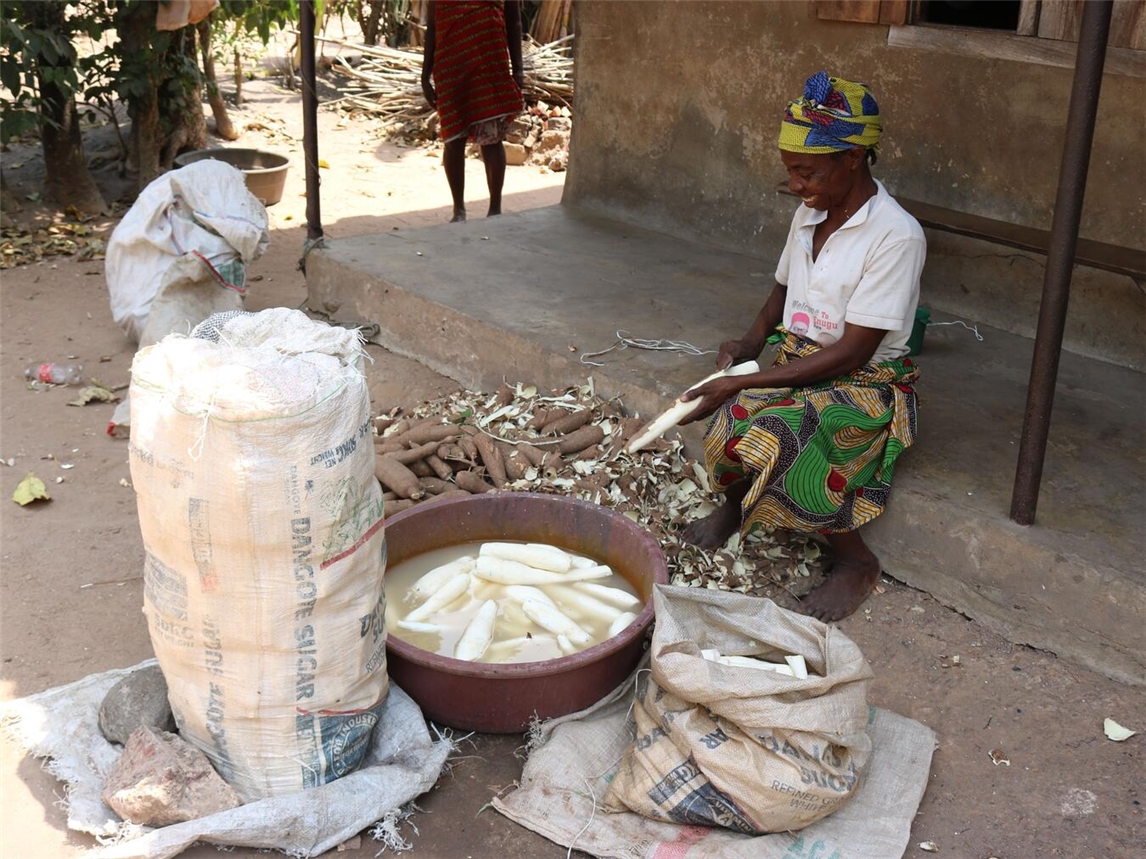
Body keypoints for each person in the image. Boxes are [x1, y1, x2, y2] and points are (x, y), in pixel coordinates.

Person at [679, 71, 925, 623]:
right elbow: (783, 291)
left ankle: (855, 560)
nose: (795, 184)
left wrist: (742, 379)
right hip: (803, 363)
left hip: (863, 385)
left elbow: (853, 354)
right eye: (791, 171)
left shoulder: (896, 235)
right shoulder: (809, 213)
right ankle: (737, 505)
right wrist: (749, 342)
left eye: (807, 171)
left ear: (854, 158)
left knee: (785, 430)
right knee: (733, 417)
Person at [421, 0, 525, 223]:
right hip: (450, 65)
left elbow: (513, 19)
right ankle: (459, 210)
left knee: (492, 138)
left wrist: (518, 69)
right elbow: (433, 24)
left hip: (489, 61)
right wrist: (425, 75)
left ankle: (495, 209)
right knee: (453, 139)